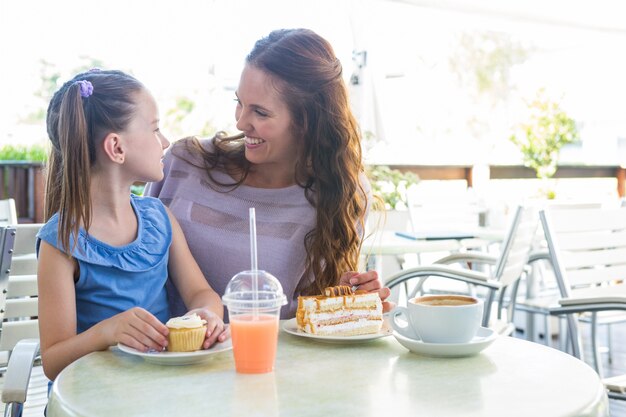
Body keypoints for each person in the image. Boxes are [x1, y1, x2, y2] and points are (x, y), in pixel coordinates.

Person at [145, 28, 392, 320]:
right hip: (163, 358)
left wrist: (346, 299)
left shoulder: (338, 193)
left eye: (260, 113)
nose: (240, 122)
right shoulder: (184, 163)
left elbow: (308, 312)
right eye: (239, 102)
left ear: (307, 121)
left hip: (266, 361)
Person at [37, 70, 227, 381]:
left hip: (158, 389)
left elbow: (202, 293)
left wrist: (205, 315)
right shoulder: (61, 242)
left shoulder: (160, 218)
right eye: (155, 130)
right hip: (92, 399)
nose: (164, 142)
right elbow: (53, 361)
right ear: (116, 148)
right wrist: (107, 332)